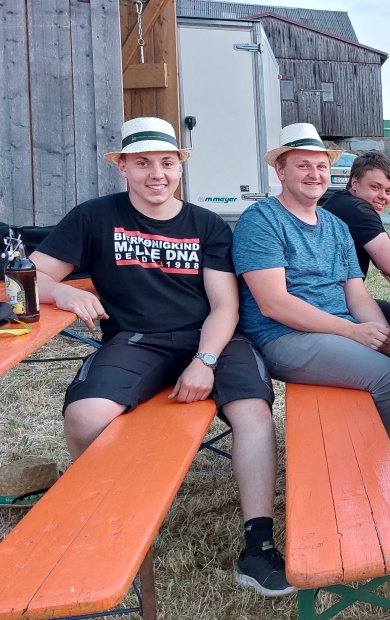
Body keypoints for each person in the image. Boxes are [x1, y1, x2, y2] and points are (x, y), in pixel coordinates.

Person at [30, 117, 292, 597]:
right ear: (123, 167)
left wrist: (205, 361)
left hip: (212, 338)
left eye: (167, 162)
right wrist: (62, 294)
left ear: (179, 169)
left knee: (254, 413)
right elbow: (24, 279)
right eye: (143, 163)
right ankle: (111, 516)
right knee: (85, 416)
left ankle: (257, 545)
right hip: (137, 338)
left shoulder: (206, 224)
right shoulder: (94, 217)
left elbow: (225, 305)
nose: (157, 173)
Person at [232, 123, 390, 501]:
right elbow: (274, 303)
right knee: (389, 377)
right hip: (284, 336)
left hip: (338, 329)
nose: (314, 174)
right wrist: (352, 333)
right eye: (302, 165)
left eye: (321, 166)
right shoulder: (261, 220)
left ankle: (384, 470)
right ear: (280, 171)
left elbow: (356, 294)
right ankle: (353, 481)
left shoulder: (334, 225)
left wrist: (380, 332)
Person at [322, 151, 390, 329]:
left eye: (388, 191)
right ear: (354, 183)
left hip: (338, 295)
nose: (383, 196)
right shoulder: (359, 210)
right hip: (333, 305)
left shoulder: (339, 200)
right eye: (375, 187)